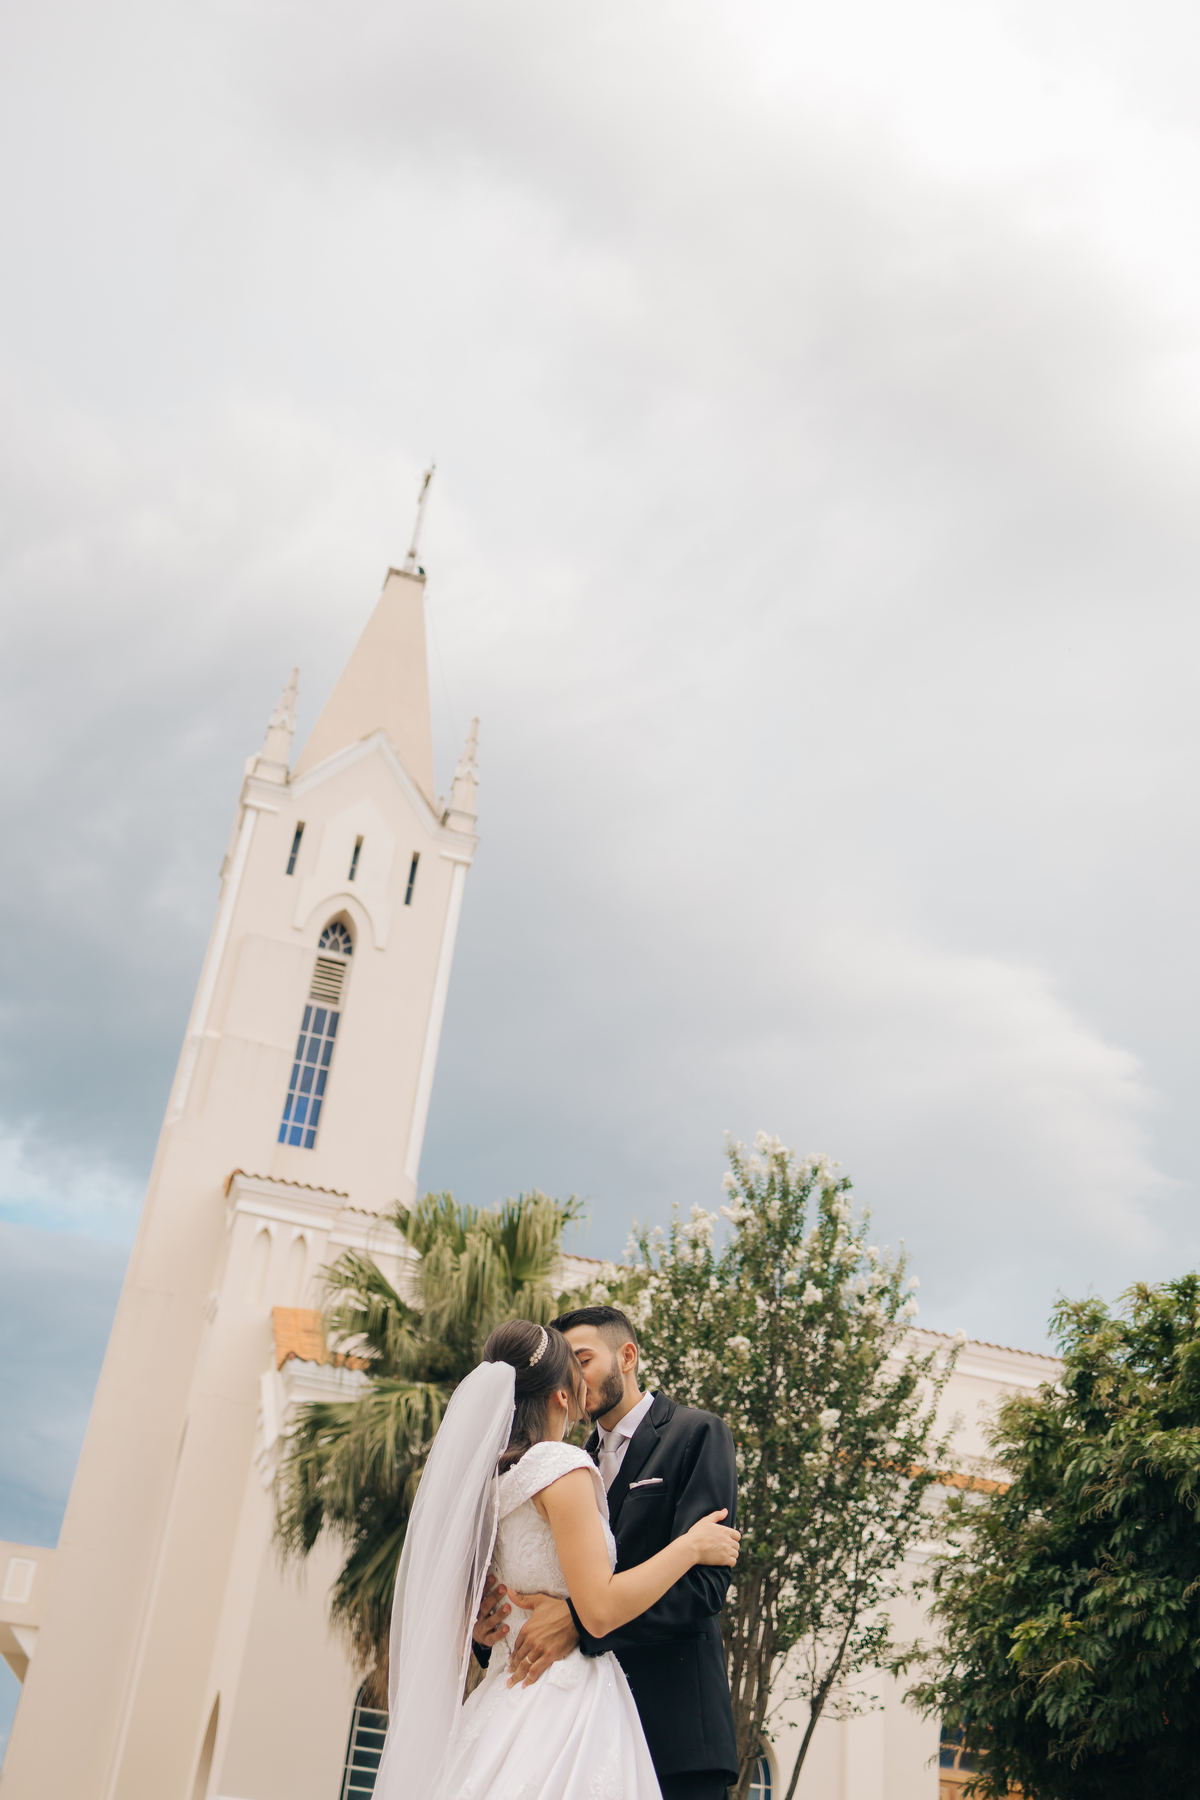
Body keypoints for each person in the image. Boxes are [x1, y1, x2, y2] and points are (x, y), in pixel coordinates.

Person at [374, 1318, 739, 1800]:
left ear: (627, 1357)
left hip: (673, 1724)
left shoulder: (697, 1433)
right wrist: (492, 1624)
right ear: (558, 1393)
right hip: (560, 1708)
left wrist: (577, 1621)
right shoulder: (557, 1462)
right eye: (570, 1365)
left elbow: (704, 1587)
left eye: (584, 1359)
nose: (578, 1375)